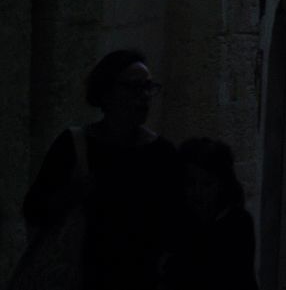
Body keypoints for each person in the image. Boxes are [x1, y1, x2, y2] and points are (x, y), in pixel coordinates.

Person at [21, 49, 182, 290]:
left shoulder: (162, 153)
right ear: (106, 93)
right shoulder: (74, 146)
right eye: (133, 88)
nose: (144, 97)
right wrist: (70, 196)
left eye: (147, 87)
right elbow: (34, 209)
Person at [165, 137, 259, 290]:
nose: (198, 192)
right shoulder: (179, 220)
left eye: (207, 183)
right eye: (190, 182)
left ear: (222, 184)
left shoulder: (238, 223)